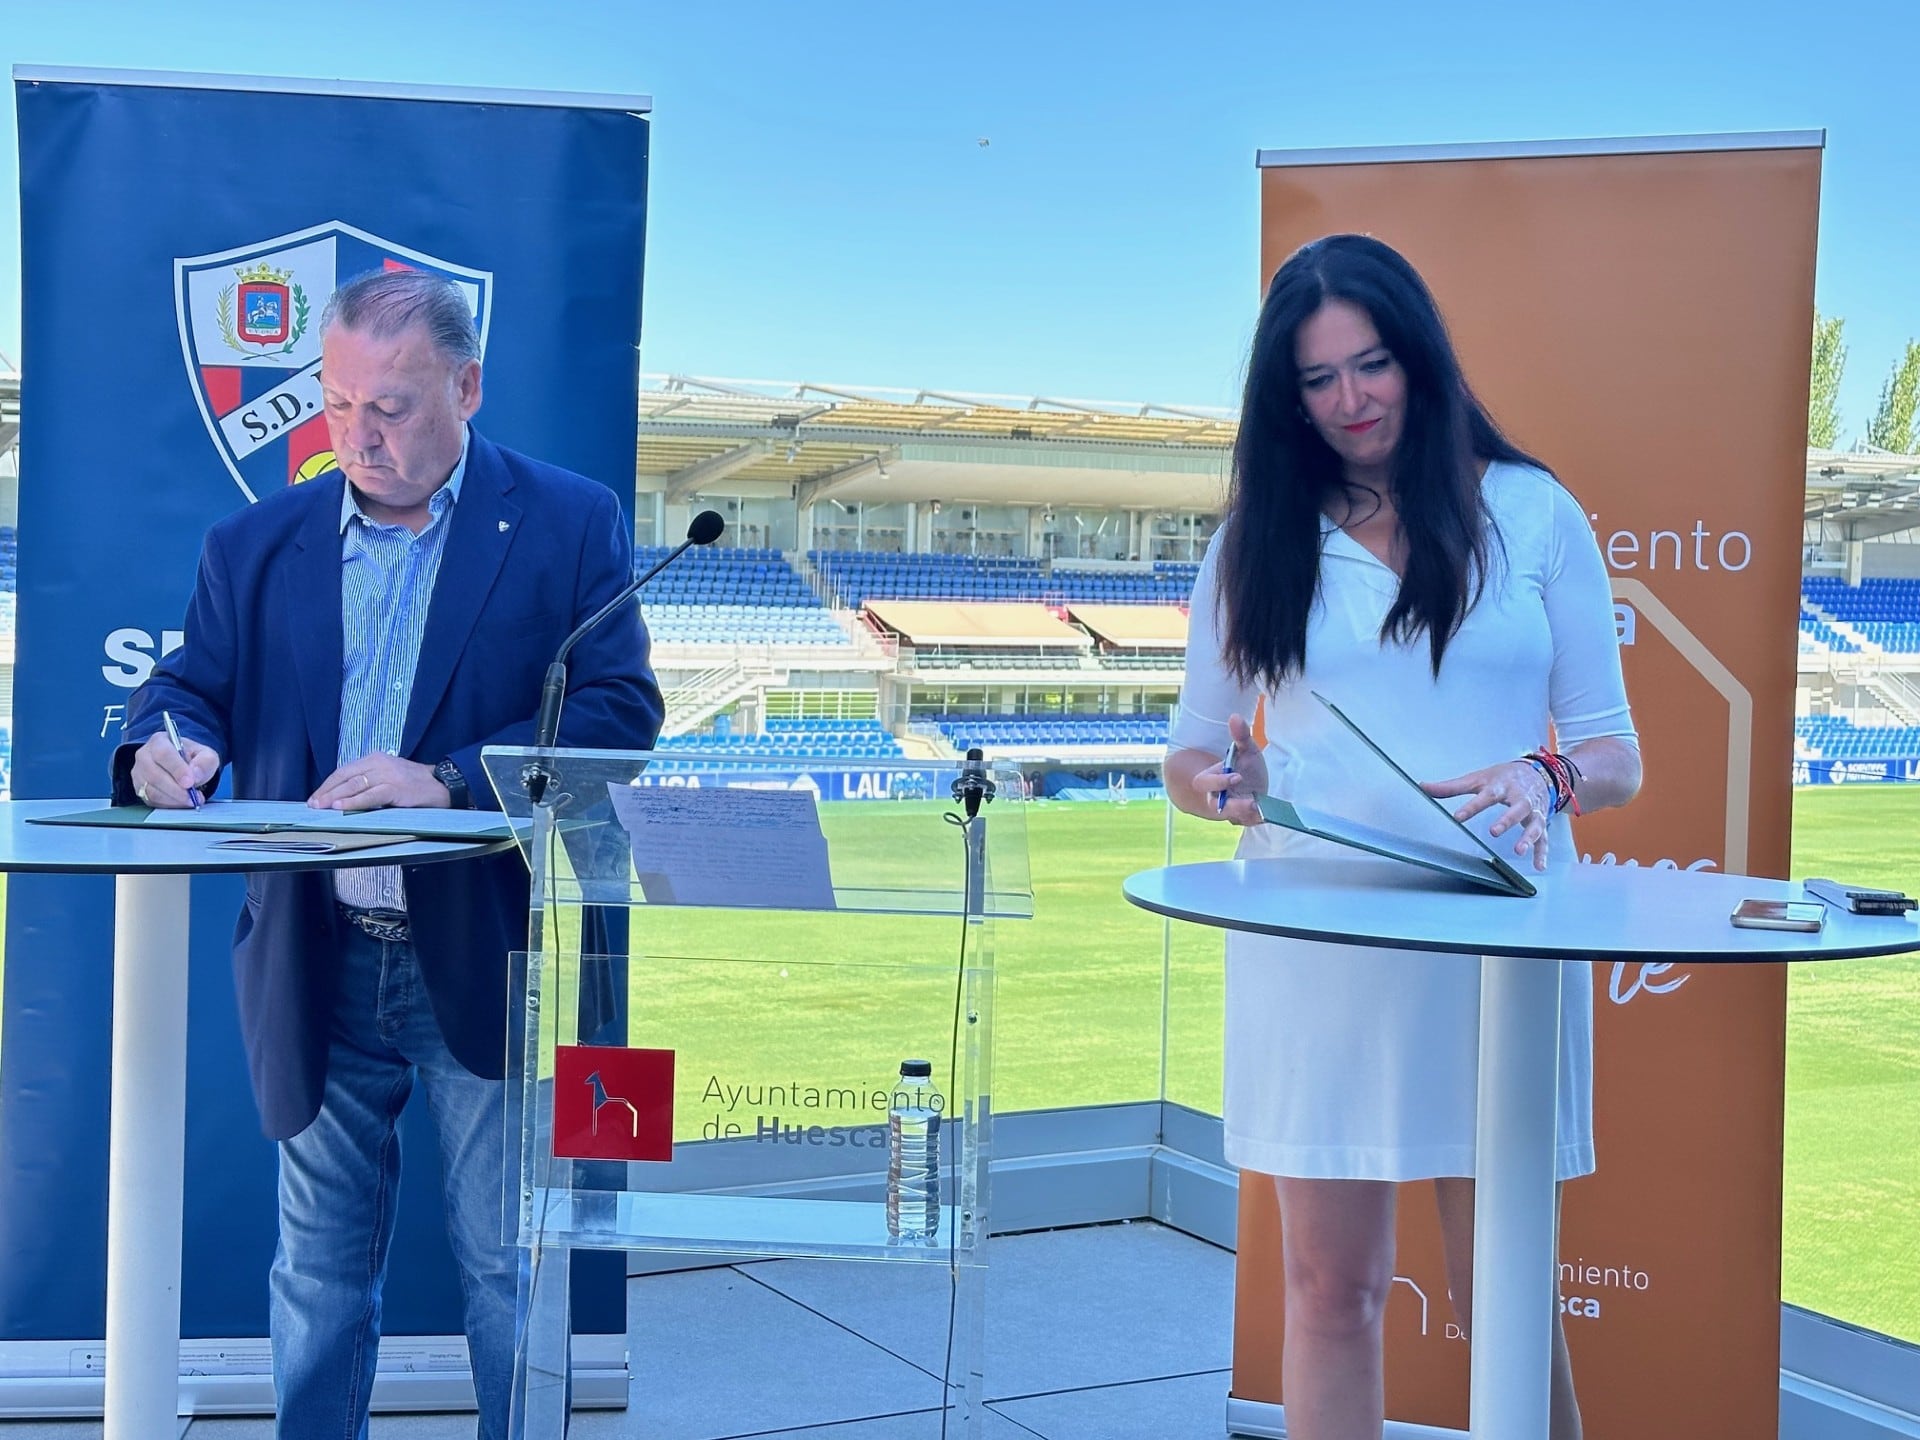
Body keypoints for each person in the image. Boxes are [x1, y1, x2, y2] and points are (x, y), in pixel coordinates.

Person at [114, 268, 662, 1440]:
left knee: (506, 1270)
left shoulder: (569, 522)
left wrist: (454, 777)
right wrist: (159, 751)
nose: (355, 435)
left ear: (467, 386)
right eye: (336, 401)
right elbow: (184, 692)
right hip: (314, 956)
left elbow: (620, 716)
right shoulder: (254, 544)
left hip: (487, 950)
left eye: (393, 408)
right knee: (315, 1279)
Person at [1163, 234, 1640, 1440]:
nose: (1350, 402)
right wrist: (1232, 787)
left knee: (1506, 1295)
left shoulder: (1531, 513)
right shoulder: (1253, 539)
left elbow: (1613, 757)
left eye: (1369, 366)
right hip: (1315, 944)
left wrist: (1544, 775)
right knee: (1331, 1288)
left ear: (1418, 358)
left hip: (1496, 950)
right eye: (1317, 381)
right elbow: (1191, 753)